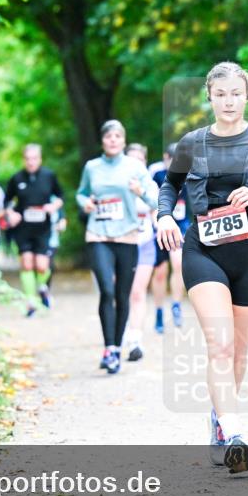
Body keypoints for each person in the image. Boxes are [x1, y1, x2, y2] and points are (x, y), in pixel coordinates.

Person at [156, 62, 248, 474]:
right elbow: (170, 184)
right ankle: (234, 434)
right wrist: (164, 215)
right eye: (220, 94)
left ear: (246, 96)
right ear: (210, 97)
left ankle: (220, 418)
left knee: (238, 350)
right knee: (219, 345)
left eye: (235, 93)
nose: (228, 101)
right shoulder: (192, 143)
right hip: (204, 250)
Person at [77, 120, 158, 374]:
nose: (112, 140)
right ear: (102, 140)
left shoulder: (135, 167)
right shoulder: (92, 167)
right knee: (107, 290)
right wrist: (84, 203)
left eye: (117, 136)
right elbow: (81, 193)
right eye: (108, 136)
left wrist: (140, 191)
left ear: (123, 141)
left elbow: (156, 199)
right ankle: (109, 347)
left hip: (127, 236)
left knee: (123, 295)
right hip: (98, 234)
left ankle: (116, 349)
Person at [4, 144, 64, 315]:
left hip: (43, 227)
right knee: (26, 263)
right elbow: (7, 201)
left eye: (34, 158)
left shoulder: (49, 176)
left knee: (42, 266)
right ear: (24, 160)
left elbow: (60, 197)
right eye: (28, 159)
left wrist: (54, 207)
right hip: (23, 227)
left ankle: (42, 287)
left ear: (40, 159)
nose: (31, 162)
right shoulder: (16, 178)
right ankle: (30, 301)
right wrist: (11, 213)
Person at [121, 143, 159, 361]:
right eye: (131, 158)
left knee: (137, 292)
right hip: (120, 244)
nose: (135, 163)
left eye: (140, 159)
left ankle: (135, 340)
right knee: (121, 293)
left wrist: (161, 224)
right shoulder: (116, 184)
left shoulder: (151, 185)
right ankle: (121, 330)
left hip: (145, 244)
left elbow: (155, 209)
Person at [149, 143, 188, 333]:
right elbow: (149, 200)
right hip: (160, 225)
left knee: (179, 264)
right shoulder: (155, 173)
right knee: (160, 272)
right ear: (165, 158)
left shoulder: (189, 173)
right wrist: (156, 221)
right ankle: (158, 312)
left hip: (180, 225)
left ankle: (176, 305)